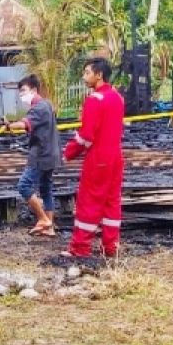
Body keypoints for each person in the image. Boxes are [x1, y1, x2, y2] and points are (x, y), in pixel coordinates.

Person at [61, 57, 125, 271]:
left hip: (98, 158)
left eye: (88, 72)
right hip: (116, 157)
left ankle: (80, 247)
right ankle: (110, 246)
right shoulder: (118, 98)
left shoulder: (94, 100)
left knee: (89, 200)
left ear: (99, 75)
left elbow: (87, 136)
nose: (84, 76)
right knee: (111, 201)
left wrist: (69, 152)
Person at [4, 74, 60, 236]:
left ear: (34, 90)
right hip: (51, 153)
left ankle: (43, 219)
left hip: (41, 154)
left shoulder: (39, 107)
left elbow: (25, 124)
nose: (22, 95)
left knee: (24, 185)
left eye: (24, 91)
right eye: (20, 92)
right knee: (46, 188)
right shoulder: (48, 105)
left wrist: (10, 127)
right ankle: (49, 228)